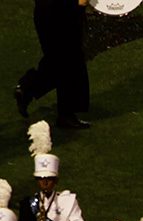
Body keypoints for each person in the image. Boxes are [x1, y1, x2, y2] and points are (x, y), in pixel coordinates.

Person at [15, 0, 90, 129]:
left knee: (59, 60)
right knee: (68, 61)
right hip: (62, 12)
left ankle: (27, 89)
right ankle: (65, 115)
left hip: (46, 11)